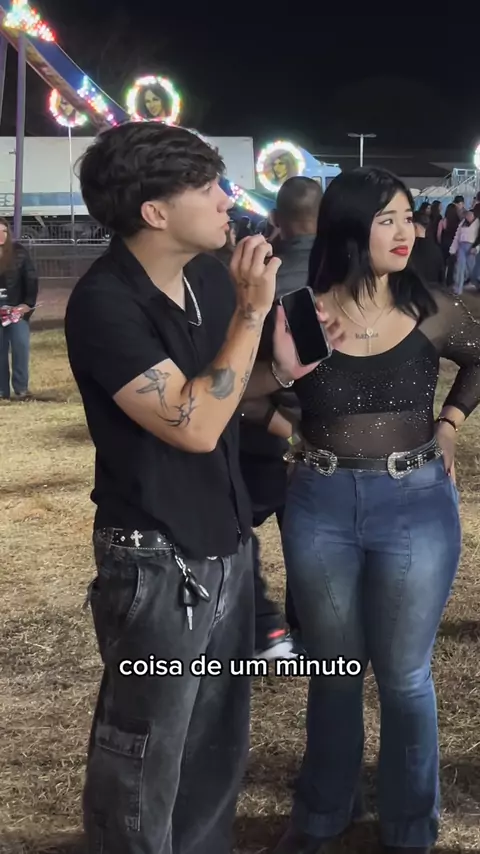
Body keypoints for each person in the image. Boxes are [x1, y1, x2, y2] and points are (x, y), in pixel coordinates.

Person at [64, 122, 343, 854]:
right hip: (154, 558)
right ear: (155, 211)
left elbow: (227, 393)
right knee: (145, 750)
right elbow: (190, 422)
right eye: (208, 187)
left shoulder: (208, 279)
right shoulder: (106, 303)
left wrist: (284, 367)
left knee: (216, 742)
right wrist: (252, 312)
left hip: (226, 537)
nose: (227, 200)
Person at [274, 167, 480, 854]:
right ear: (347, 227)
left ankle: (409, 826)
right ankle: (321, 815)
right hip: (321, 502)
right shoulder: (302, 312)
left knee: (404, 676)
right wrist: (290, 431)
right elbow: (252, 397)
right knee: (333, 670)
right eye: (386, 218)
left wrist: (449, 424)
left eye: (408, 217)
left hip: (415, 504)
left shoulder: (430, 306)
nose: (406, 231)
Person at [239, 176, 323, 656]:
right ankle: (304, 631)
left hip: (259, 426)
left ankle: (257, 625)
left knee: (230, 530)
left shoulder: (260, 277)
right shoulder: (340, 276)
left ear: (276, 218)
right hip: (313, 435)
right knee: (308, 544)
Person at [0, 218, 38, 401]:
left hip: (15, 308)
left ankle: (21, 389)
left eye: (4, 231)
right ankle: (2, 391)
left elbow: (31, 279)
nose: (1, 235)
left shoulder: (19, 253)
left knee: (20, 345)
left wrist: (26, 305)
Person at [449, 204, 480, 293]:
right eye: (467, 215)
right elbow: (457, 236)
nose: (468, 216)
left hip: (472, 247)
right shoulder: (462, 223)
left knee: (471, 269)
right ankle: (458, 287)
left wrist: (476, 248)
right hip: (461, 246)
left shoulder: (477, 223)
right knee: (459, 267)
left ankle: (471, 282)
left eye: (470, 215)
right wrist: (453, 249)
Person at [410, 211, 445, 284]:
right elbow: (441, 276)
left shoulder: (411, 249)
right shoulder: (436, 249)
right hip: (433, 287)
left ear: (415, 226)